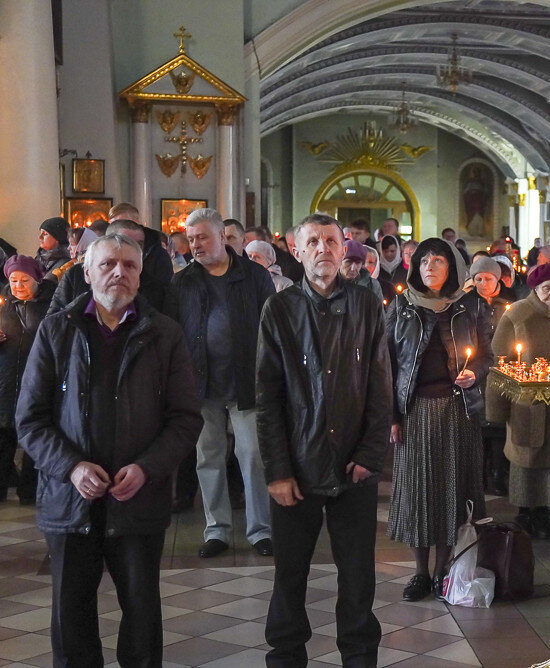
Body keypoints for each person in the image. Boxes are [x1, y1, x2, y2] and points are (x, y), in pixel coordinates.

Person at [16, 233, 202, 666]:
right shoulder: (57, 329)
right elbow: (30, 418)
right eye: (108, 264)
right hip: (70, 499)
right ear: (87, 272)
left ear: (140, 275)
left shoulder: (164, 334)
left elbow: (185, 418)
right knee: (72, 616)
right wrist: (71, 467)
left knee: (141, 615)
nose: (119, 272)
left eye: (130, 265)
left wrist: (147, 468)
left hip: (137, 497)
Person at [257, 214, 390, 667]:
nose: (323, 250)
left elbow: (380, 385)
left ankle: (358, 658)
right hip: (296, 464)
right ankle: (286, 657)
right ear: (297, 251)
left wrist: (370, 453)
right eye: (313, 242)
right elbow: (268, 397)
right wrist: (277, 470)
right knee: (289, 575)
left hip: (354, 462)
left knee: (357, 576)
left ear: (343, 247)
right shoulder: (279, 309)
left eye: (331, 241)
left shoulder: (367, 306)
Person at [165, 207, 276, 558]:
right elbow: (172, 332)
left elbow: (270, 327)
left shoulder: (254, 276)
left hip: (246, 380)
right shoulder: (182, 281)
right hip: (200, 383)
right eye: (191, 239)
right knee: (207, 456)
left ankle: (261, 530)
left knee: (253, 456)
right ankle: (218, 529)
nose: (195, 245)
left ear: (222, 238)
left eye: (202, 237)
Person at [386, 238, 492, 601]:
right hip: (415, 410)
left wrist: (474, 374)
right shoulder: (401, 306)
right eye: (424, 260)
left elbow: (485, 355)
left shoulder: (469, 305)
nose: (430, 266)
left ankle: (443, 570)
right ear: (415, 266)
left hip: (456, 409)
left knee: (450, 490)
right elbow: (387, 364)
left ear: (452, 267)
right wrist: (392, 416)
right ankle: (419, 572)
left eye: (439, 260)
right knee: (419, 492)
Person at [488, 263, 550, 539]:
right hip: (528, 402)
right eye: (546, 289)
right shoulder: (519, 313)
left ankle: (546, 513)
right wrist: (497, 408)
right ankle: (526, 512)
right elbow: (501, 359)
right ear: (535, 289)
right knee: (527, 457)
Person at [0, 256, 55, 504]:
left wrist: (30, 308)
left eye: (24, 280)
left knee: (33, 436)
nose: (18, 286)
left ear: (37, 280)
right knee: (4, 436)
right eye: (13, 281)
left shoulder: (48, 305)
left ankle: (29, 492)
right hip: (7, 381)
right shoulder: (6, 306)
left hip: (35, 381)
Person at [468, 255, 510, 496]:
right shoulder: (466, 305)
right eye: (478, 279)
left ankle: (498, 473)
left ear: (498, 282)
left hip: (499, 372)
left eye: (488, 279)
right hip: (476, 371)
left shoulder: (505, 306)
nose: (483, 283)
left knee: (497, 425)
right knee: (479, 426)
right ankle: (479, 475)